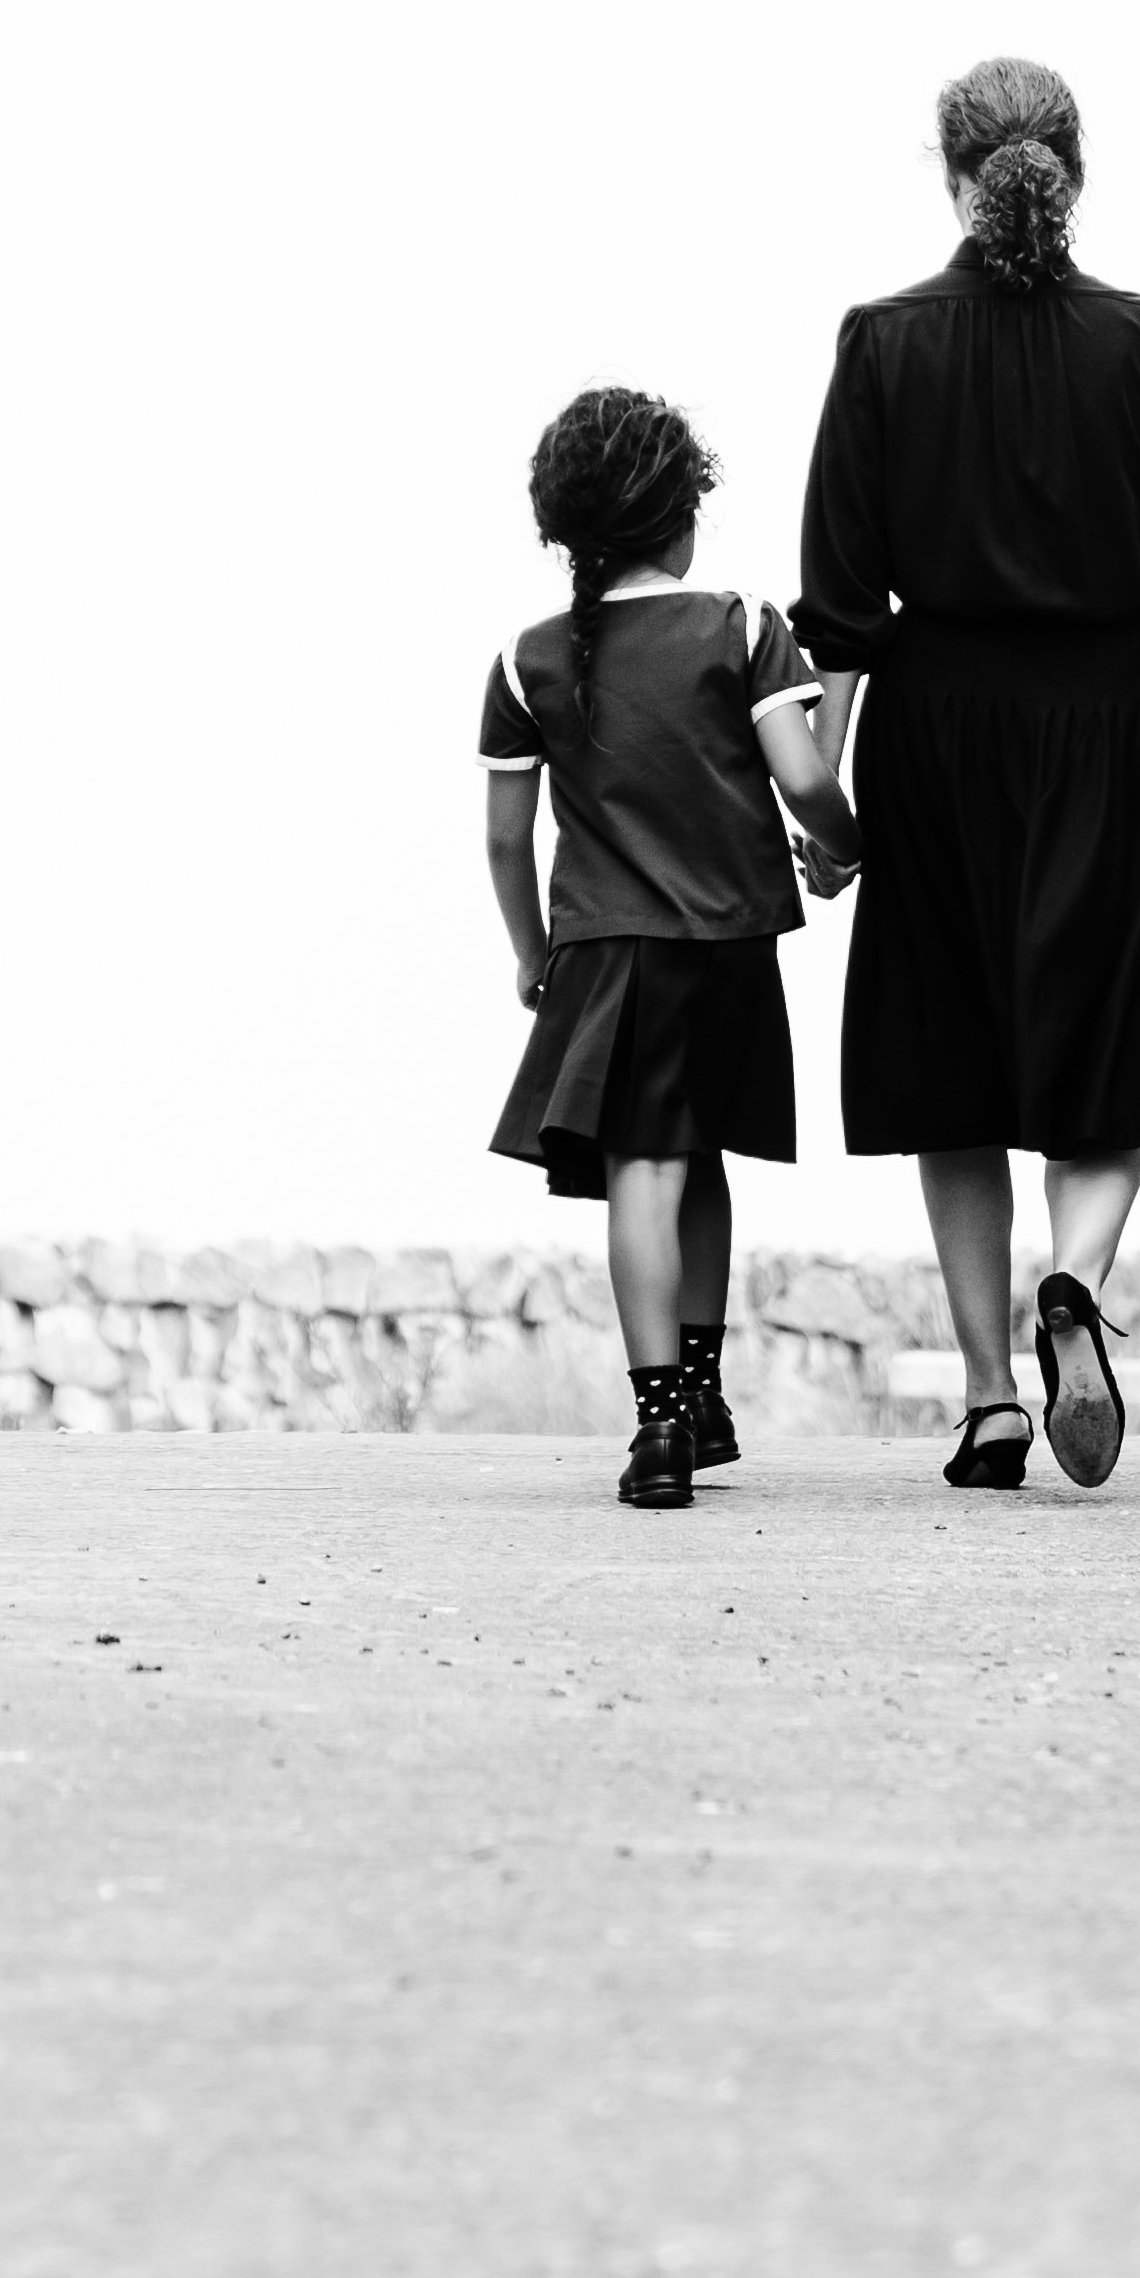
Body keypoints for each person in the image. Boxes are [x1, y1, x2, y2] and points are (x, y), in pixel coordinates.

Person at [798, 56, 1140, 1492]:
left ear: (953, 179)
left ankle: (992, 1399)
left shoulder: (882, 341)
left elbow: (840, 610)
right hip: (1114, 713)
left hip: (936, 725)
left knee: (954, 1069)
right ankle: (1077, 1283)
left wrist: (826, 800)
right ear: (1077, 173)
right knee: (1109, 1051)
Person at [478, 385, 854, 1511]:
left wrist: (532, 951)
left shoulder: (526, 660)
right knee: (702, 1160)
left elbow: (505, 838)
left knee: (641, 1169)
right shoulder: (741, 625)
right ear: (682, 511)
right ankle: (698, 1397)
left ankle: (659, 1425)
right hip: (729, 944)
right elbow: (805, 778)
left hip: (607, 951)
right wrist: (843, 848)